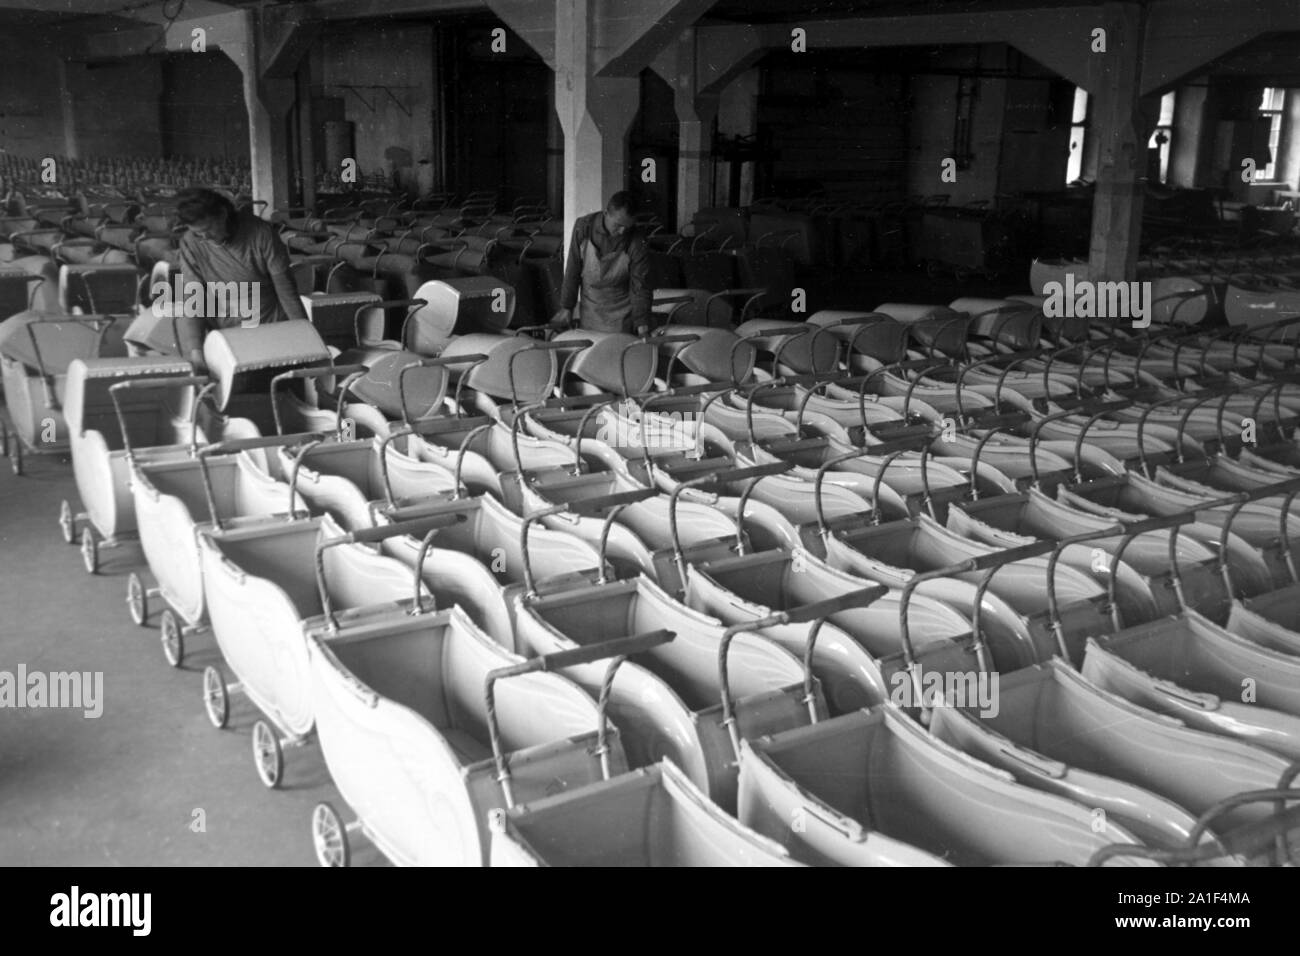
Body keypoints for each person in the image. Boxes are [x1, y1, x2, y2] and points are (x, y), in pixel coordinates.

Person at [171, 187, 307, 363]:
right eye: (198, 233)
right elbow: (194, 297)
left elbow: (287, 291)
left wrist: (304, 336)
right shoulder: (191, 243)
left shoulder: (260, 234)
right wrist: (196, 349)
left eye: (208, 229)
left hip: (269, 324)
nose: (205, 237)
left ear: (222, 214)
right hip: (226, 330)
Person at [552, 191, 651, 336]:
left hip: (622, 312)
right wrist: (567, 307)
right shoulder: (583, 227)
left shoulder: (637, 239)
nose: (622, 231)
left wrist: (642, 323)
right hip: (590, 308)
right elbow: (573, 270)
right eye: (618, 225)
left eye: (627, 227)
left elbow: (640, 286)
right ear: (606, 213)